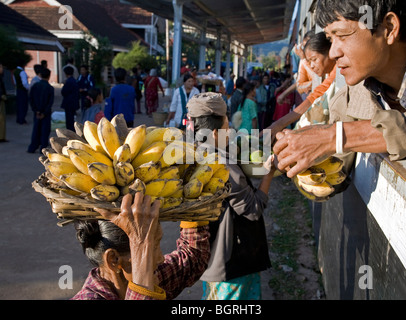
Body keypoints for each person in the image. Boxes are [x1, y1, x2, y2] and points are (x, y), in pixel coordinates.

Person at [273, 0, 406, 180]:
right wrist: (305, 162)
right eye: (331, 39)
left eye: (343, 35)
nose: (333, 53)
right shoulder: (350, 97)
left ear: (390, 28)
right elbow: (337, 164)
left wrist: (336, 137)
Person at [184, 92, 274, 300]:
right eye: (227, 126)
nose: (230, 130)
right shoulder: (223, 164)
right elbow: (253, 209)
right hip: (233, 262)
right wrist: (269, 174)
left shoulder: (193, 154)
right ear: (215, 133)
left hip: (209, 257)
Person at [72, 192, 211, 300]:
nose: (160, 259)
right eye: (150, 248)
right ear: (114, 260)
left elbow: (193, 258)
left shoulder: (151, 277)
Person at [265, 32, 338, 139]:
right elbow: (310, 93)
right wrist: (279, 124)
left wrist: (281, 124)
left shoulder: (337, 71)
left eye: (314, 59)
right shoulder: (328, 74)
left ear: (329, 52)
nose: (312, 65)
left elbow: (310, 93)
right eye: (309, 61)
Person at [27, 68, 54, 153]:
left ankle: (33, 147)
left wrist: (36, 111)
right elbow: (50, 102)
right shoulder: (50, 88)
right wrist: (44, 112)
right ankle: (43, 147)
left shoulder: (35, 86)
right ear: (49, 76)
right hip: (45, 113)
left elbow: (31, 99)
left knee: (36, 129)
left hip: (37, 112)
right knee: (45, 130)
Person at [61, 66, 80, 131]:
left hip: (68, 102)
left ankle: (70, 131)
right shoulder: (75, 81)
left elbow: (63, 92)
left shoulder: (68, 82)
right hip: (73, 101)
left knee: (69, 120)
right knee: (71, 118)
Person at [14, 60, 30, 124]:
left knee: (19, 105)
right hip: (22, 90)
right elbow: (24, 83)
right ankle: (22, 119)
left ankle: (19, 118)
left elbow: (15, 82)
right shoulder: (22, 72)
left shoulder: (15, 72)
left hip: (18, 89)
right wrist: (28, 88)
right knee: (23, 105)